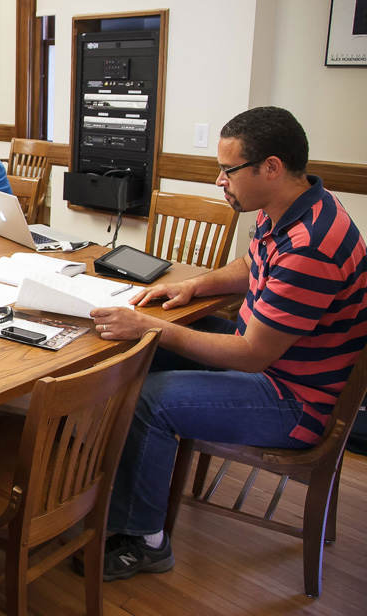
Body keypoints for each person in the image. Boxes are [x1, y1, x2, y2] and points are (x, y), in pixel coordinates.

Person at [85, 106, 367, 582]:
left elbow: (254, 356)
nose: (219, 180)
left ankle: (145, 540)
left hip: (294, 400)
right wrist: (196, 286)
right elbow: (252, 264)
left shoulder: (312, 245)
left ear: (271, 168)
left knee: (150, 399)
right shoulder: (298, 207)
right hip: (273, 368)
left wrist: (152, 327)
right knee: (141, 357)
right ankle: (112, 484)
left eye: (228, 170)